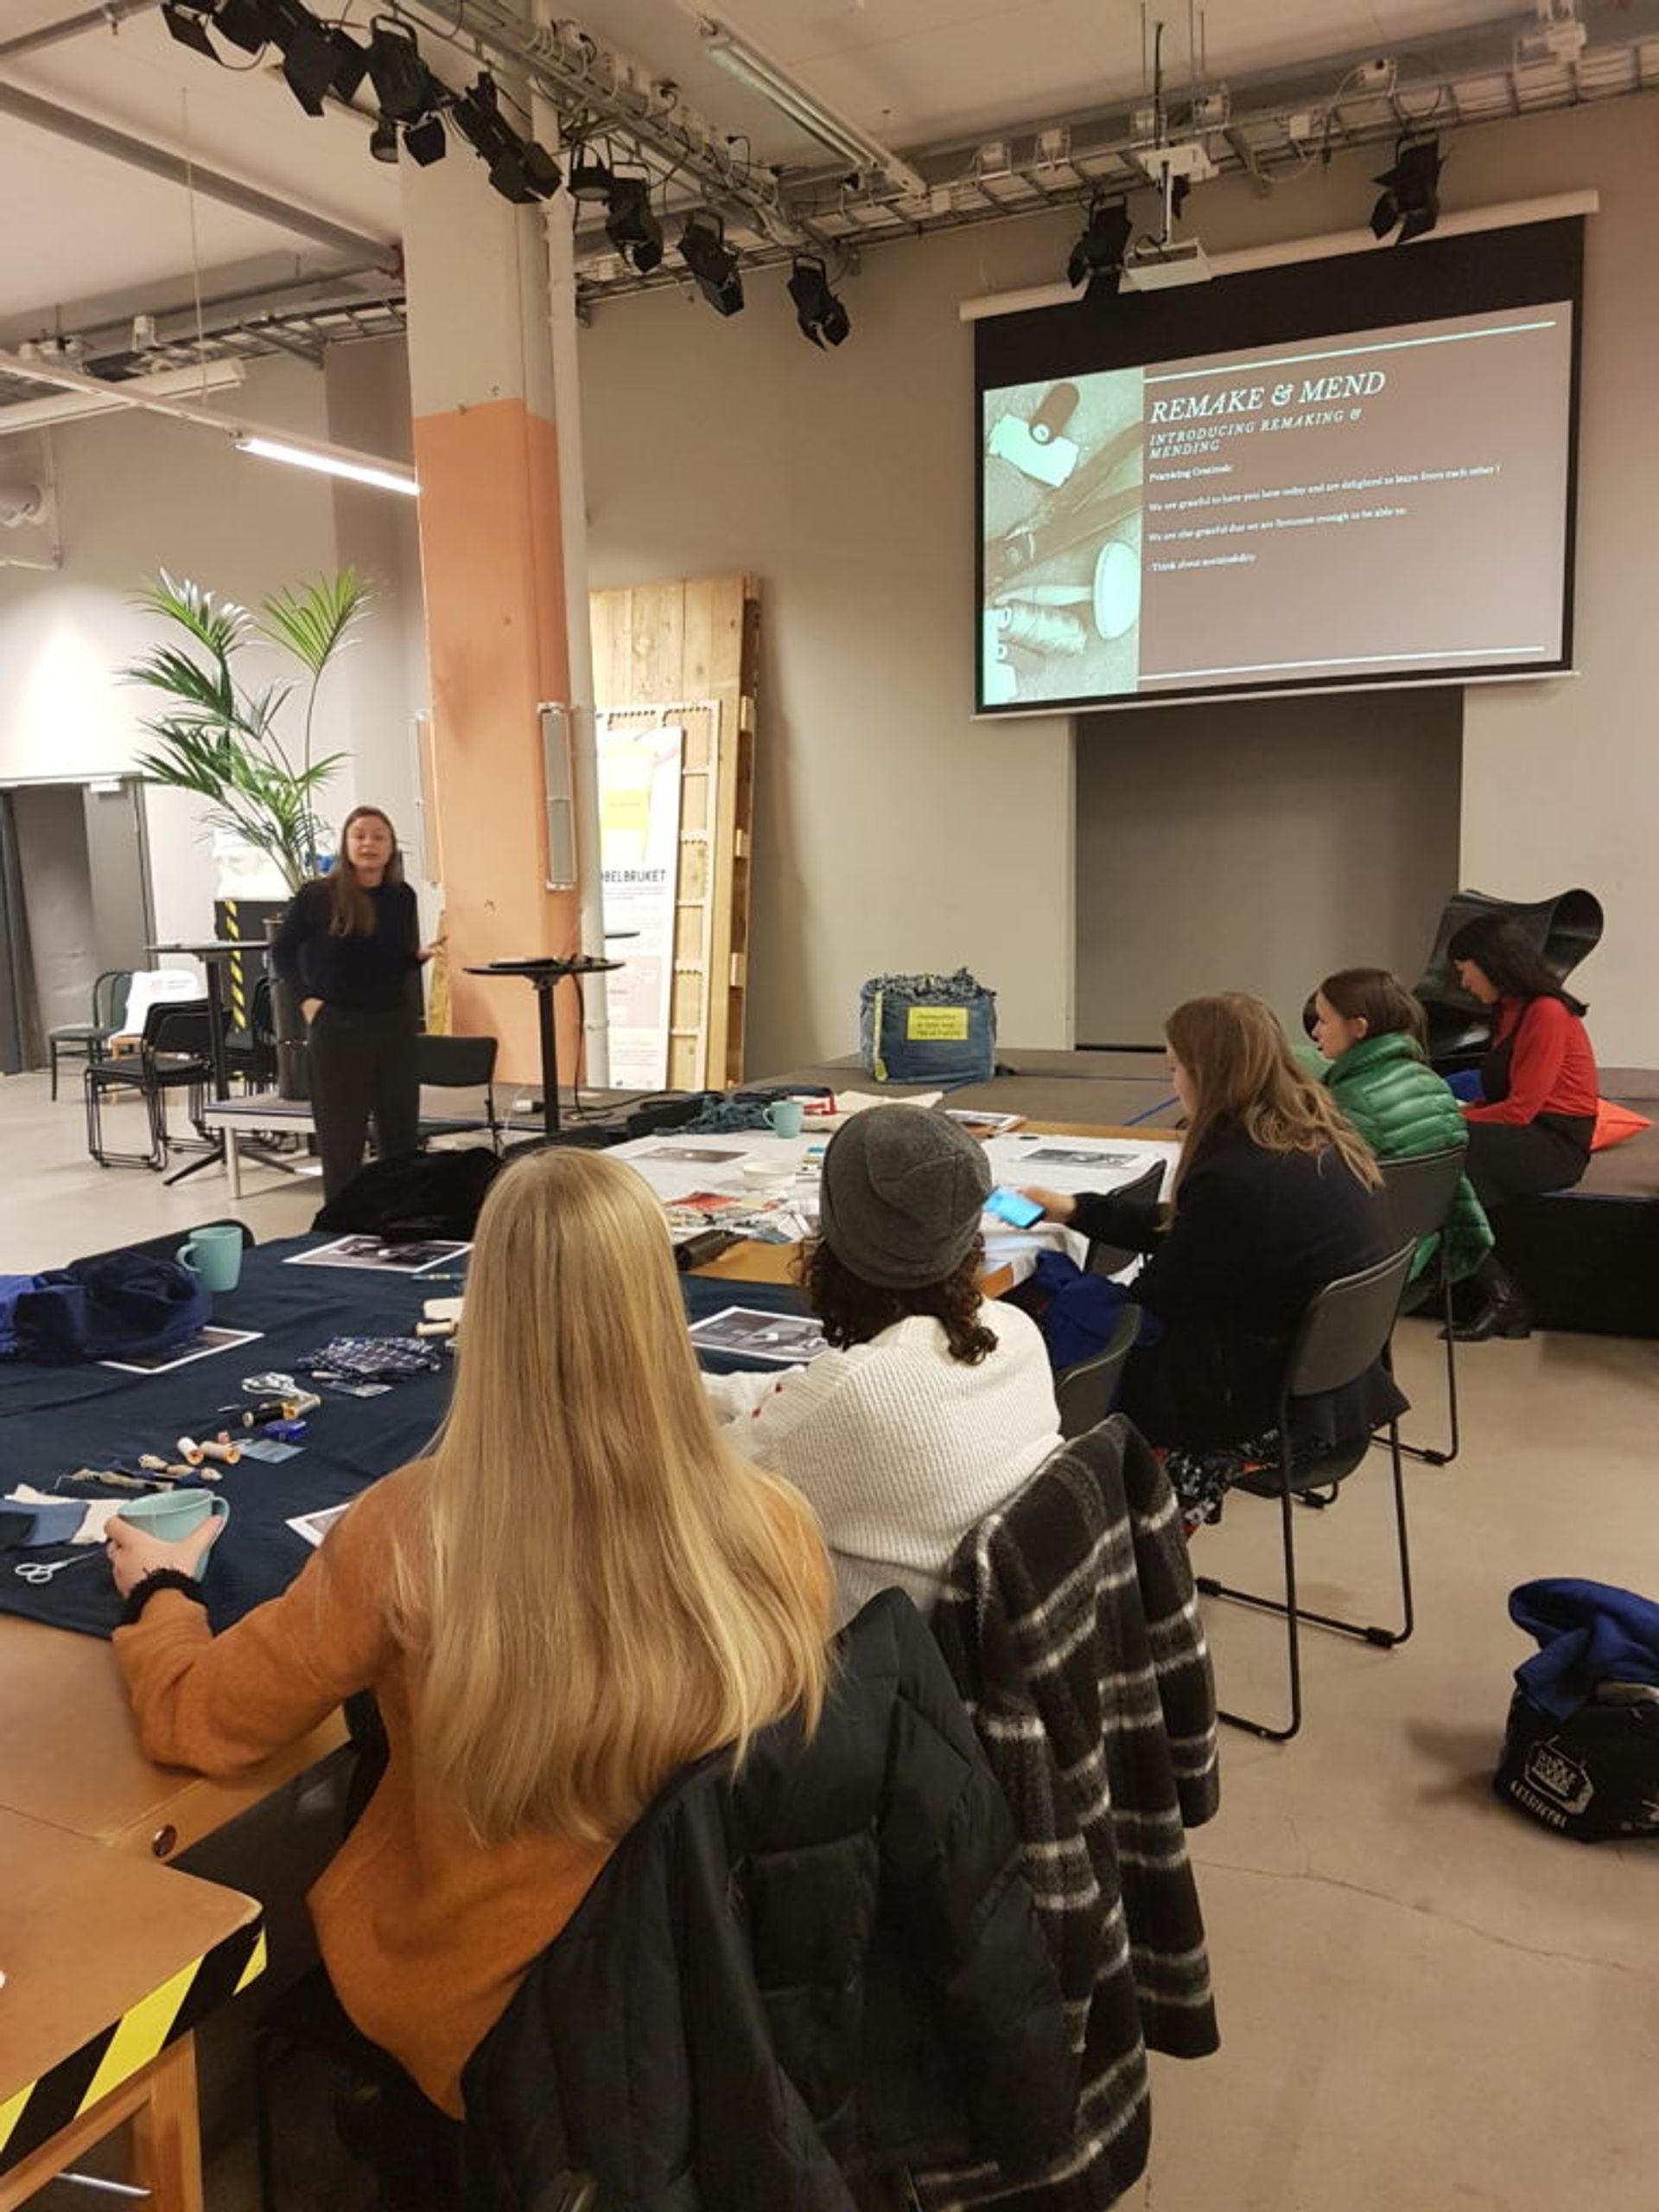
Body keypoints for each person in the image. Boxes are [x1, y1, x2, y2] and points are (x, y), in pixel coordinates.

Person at [104, 1148, 834, 2132]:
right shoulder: (777, 1521)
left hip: (479, 2011)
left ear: (487, 1307)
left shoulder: (410, 1528)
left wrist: (158, 1591)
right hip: (716, 1983)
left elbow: (203, 1719)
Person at [1024, 993, 1402, 1529]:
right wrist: (1076, 1211)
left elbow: (1157, 1298)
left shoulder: (1236, 1174)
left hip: (1253, 1405)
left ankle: (1073, 1532)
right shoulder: (1318, 1139)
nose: (1172, 1081)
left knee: (1049, 1319)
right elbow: (1202, 1236)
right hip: (1333, 1393)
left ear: (1205, 1073)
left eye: (1175, 1067)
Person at [706, 1104, 1063, 1624]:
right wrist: (698, 1390)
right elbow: (800, 1402)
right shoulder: (1014, 1330)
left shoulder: (856, 1397)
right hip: (983, 1651)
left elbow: (694, 1483)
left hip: (871, 1677)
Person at [1442, 912, 1599, 1340]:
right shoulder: (1508, 1011)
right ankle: (1504, 1299)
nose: (1464, 983)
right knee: (1442, 1148)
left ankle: (1503, 1298)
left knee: (1447, 1154)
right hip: (1529, 1130)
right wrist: (1459, 1108)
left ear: (1491, 962)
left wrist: (1453, 1117)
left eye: (1465, 971)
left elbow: (1521, 1110)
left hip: (1556, 1141)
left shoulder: (1547, 1012)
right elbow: (1500, 1098)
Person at [270, 805, 430, 1203]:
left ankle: (400, 1213)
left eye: (379, 836)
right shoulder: (318, 896)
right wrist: (306, 1000)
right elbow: (283, 951)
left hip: (393, 1025)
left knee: (400, 1131)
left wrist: (416, 959)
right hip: (338, 1026)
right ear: (345, 844)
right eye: (359, 835)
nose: (369, 844)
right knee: (342, 1133)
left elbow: (386, 960)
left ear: (392, 847)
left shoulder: (401, 897)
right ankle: (343, 1222)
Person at [1310, 966, 1494, 1286]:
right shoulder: (1432, 1083)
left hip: (1364, 1275)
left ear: (1358, 1027)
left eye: (1324, 1021)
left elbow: (1320, 1200)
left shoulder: (1351, 1101)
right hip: (1422, 1253)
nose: (1315, 1032)